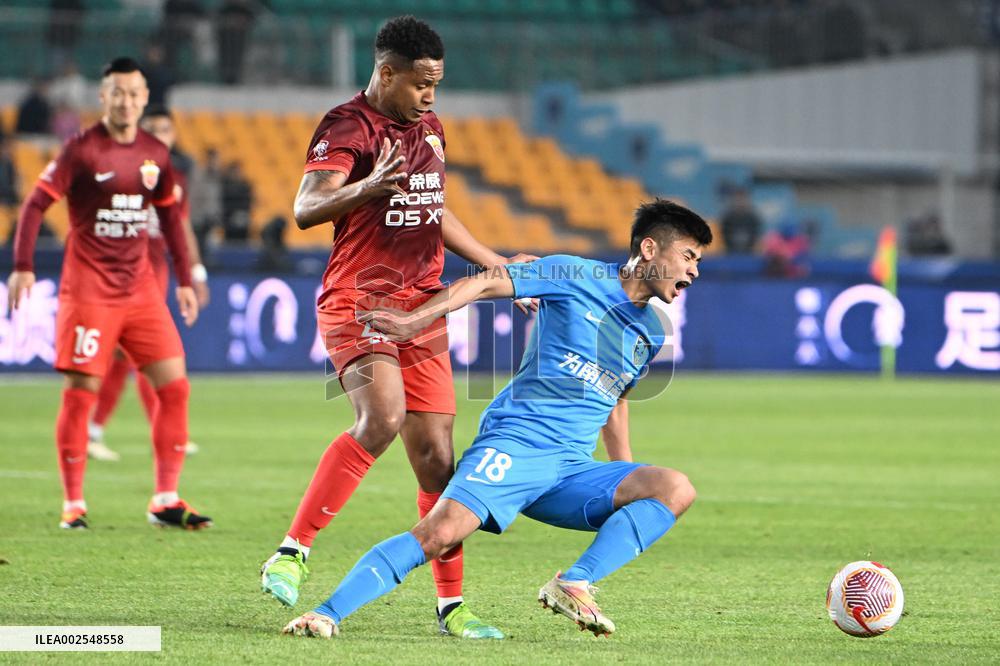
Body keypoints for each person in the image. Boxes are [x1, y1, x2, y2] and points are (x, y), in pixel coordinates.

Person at [280, 199, 709, 640]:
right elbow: (486, 284)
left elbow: (616, 399)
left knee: (674, 487)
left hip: (571, 469)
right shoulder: (573, 274)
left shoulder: (652, 330)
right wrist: (415, 320)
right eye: (689, 256)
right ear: (651, 248)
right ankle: (326, 612)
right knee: (439, 533)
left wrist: (623, 473)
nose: (694, 271)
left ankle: (574, 582)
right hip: (516, 444)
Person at [258, 15, 537, 639]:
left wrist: (497, 265)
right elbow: (305, 207)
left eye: (436, 85)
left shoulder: (430, 129)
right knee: (380, 417)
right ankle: (293, 549)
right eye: (421, 84)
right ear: (387, 73)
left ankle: (452, 606)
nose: (430, 97)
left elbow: (435, 210)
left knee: (439, 463)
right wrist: (368, 186)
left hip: (422, 305)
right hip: (361, 301)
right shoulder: (347, 126)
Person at [6, 57, 211, 531]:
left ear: (143, 98)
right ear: (103, 97)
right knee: (81, 393)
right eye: (117, 92)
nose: (126, 101)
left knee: (175, 388)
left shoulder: (154, 154)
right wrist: (22, 267)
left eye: (135, 93)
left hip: (141, 292)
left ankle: (165, 497)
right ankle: (73, 503)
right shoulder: (80, 150)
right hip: (90, 292)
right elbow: (36, 205)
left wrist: (183, 280)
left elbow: (172, 222)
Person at [86, 104, 210, 462]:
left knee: (129, 356)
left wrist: (195, 272)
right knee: (149, 353)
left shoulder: (175, 180)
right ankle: (166, 429)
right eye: (151, 129)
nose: (158, 135)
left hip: (155, 272)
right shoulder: (121, 171)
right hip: (122, 274)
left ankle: (95, 431)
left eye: (165, 130)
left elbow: (181, 228)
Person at [719, 186, 762, 254]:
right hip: (730, 254)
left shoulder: (753, 219)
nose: (740, 202)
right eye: (737, 199)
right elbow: (724, 239)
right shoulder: (727, 219)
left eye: (742, 199)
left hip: (749, 254)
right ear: (733, 200)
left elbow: (755, 238)